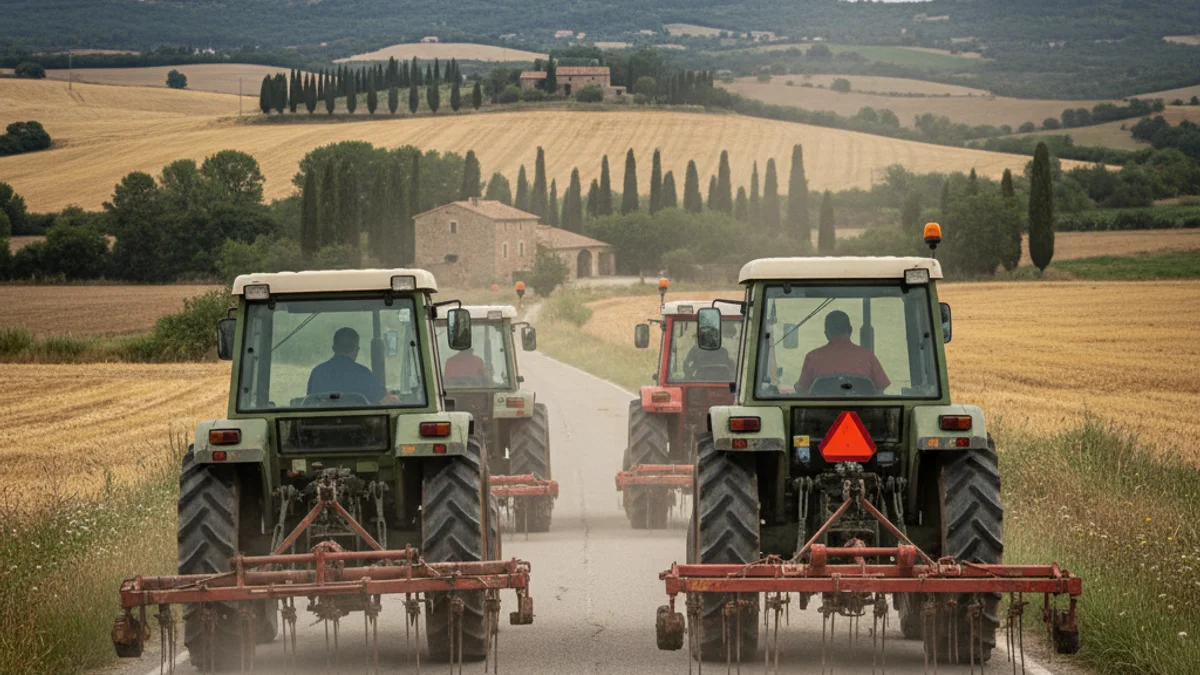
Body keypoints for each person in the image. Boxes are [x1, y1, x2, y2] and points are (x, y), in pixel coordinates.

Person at [795, 311, 890, 394]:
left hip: (822, 413)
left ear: (826, 333)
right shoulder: (868, 356)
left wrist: (797, 387)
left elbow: (803, 388)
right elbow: (881, 387)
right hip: (864, 412)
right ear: (850, 330)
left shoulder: (812, 357)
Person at [308, 327, 400, 404]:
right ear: (356, 350)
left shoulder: (317, 373)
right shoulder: (363, 374)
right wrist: (395, 399)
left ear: (334, 348)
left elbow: (309, 402)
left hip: (320, 425)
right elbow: (385, 401)